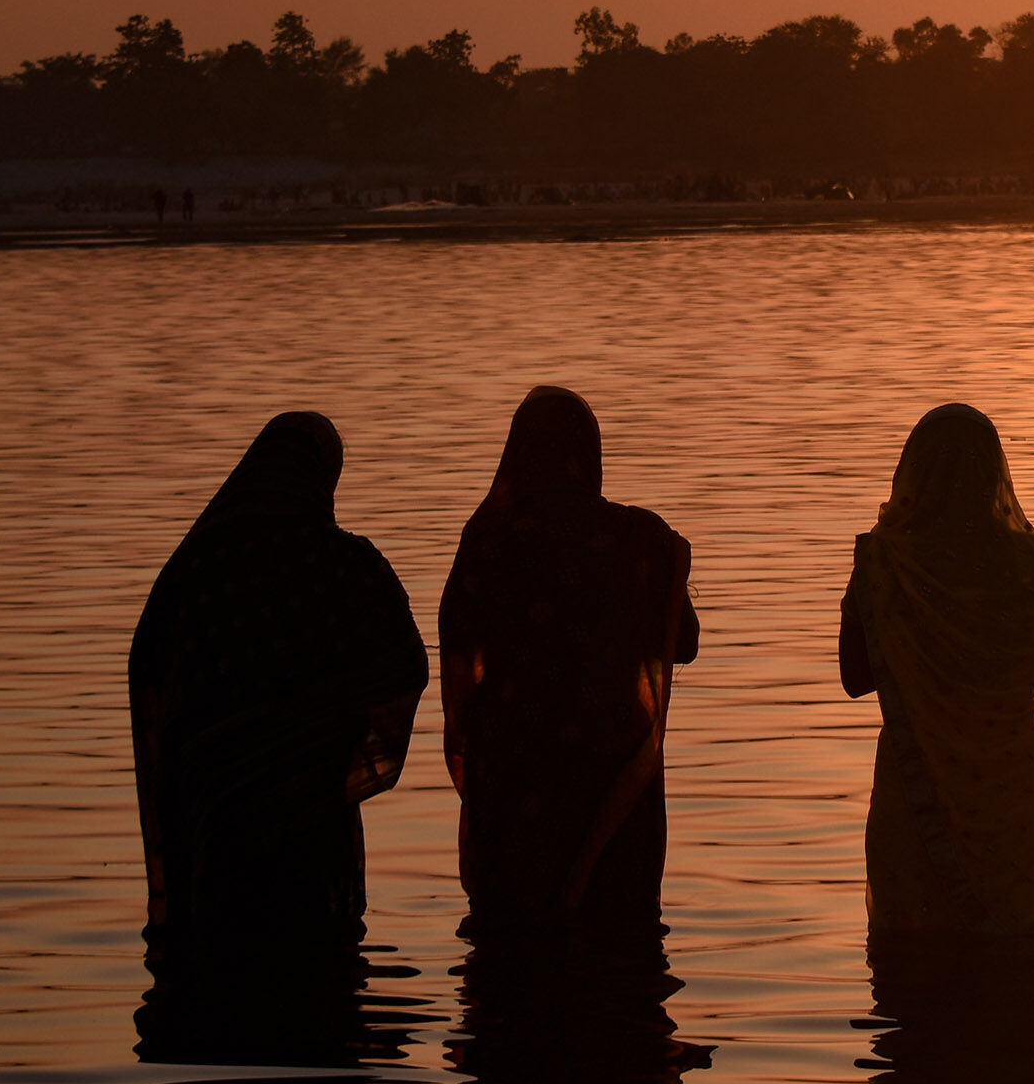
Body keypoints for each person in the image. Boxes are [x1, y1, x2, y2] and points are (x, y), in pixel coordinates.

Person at [128, 412, 428, 982]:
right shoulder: (347, 566)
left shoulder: (194, 570)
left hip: (210, 819)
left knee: (215, 978)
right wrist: (340, 744)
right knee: (319, 980)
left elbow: (150, 674)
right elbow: (404, 666)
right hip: (311, 817)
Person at [441, 387, 700, 941]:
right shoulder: (639, 539)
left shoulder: (487, 540)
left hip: (512, 779)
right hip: (610, 779)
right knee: (619, 954)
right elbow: (685, 643)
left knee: (508, 957)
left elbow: (459, 646)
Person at [841, 404, 1034, 938]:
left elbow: (855, 676)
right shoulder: (1027, 564)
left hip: (917, 788)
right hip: (1011, 788)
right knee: (1012, 967)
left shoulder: (886, 562)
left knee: (913, 959)